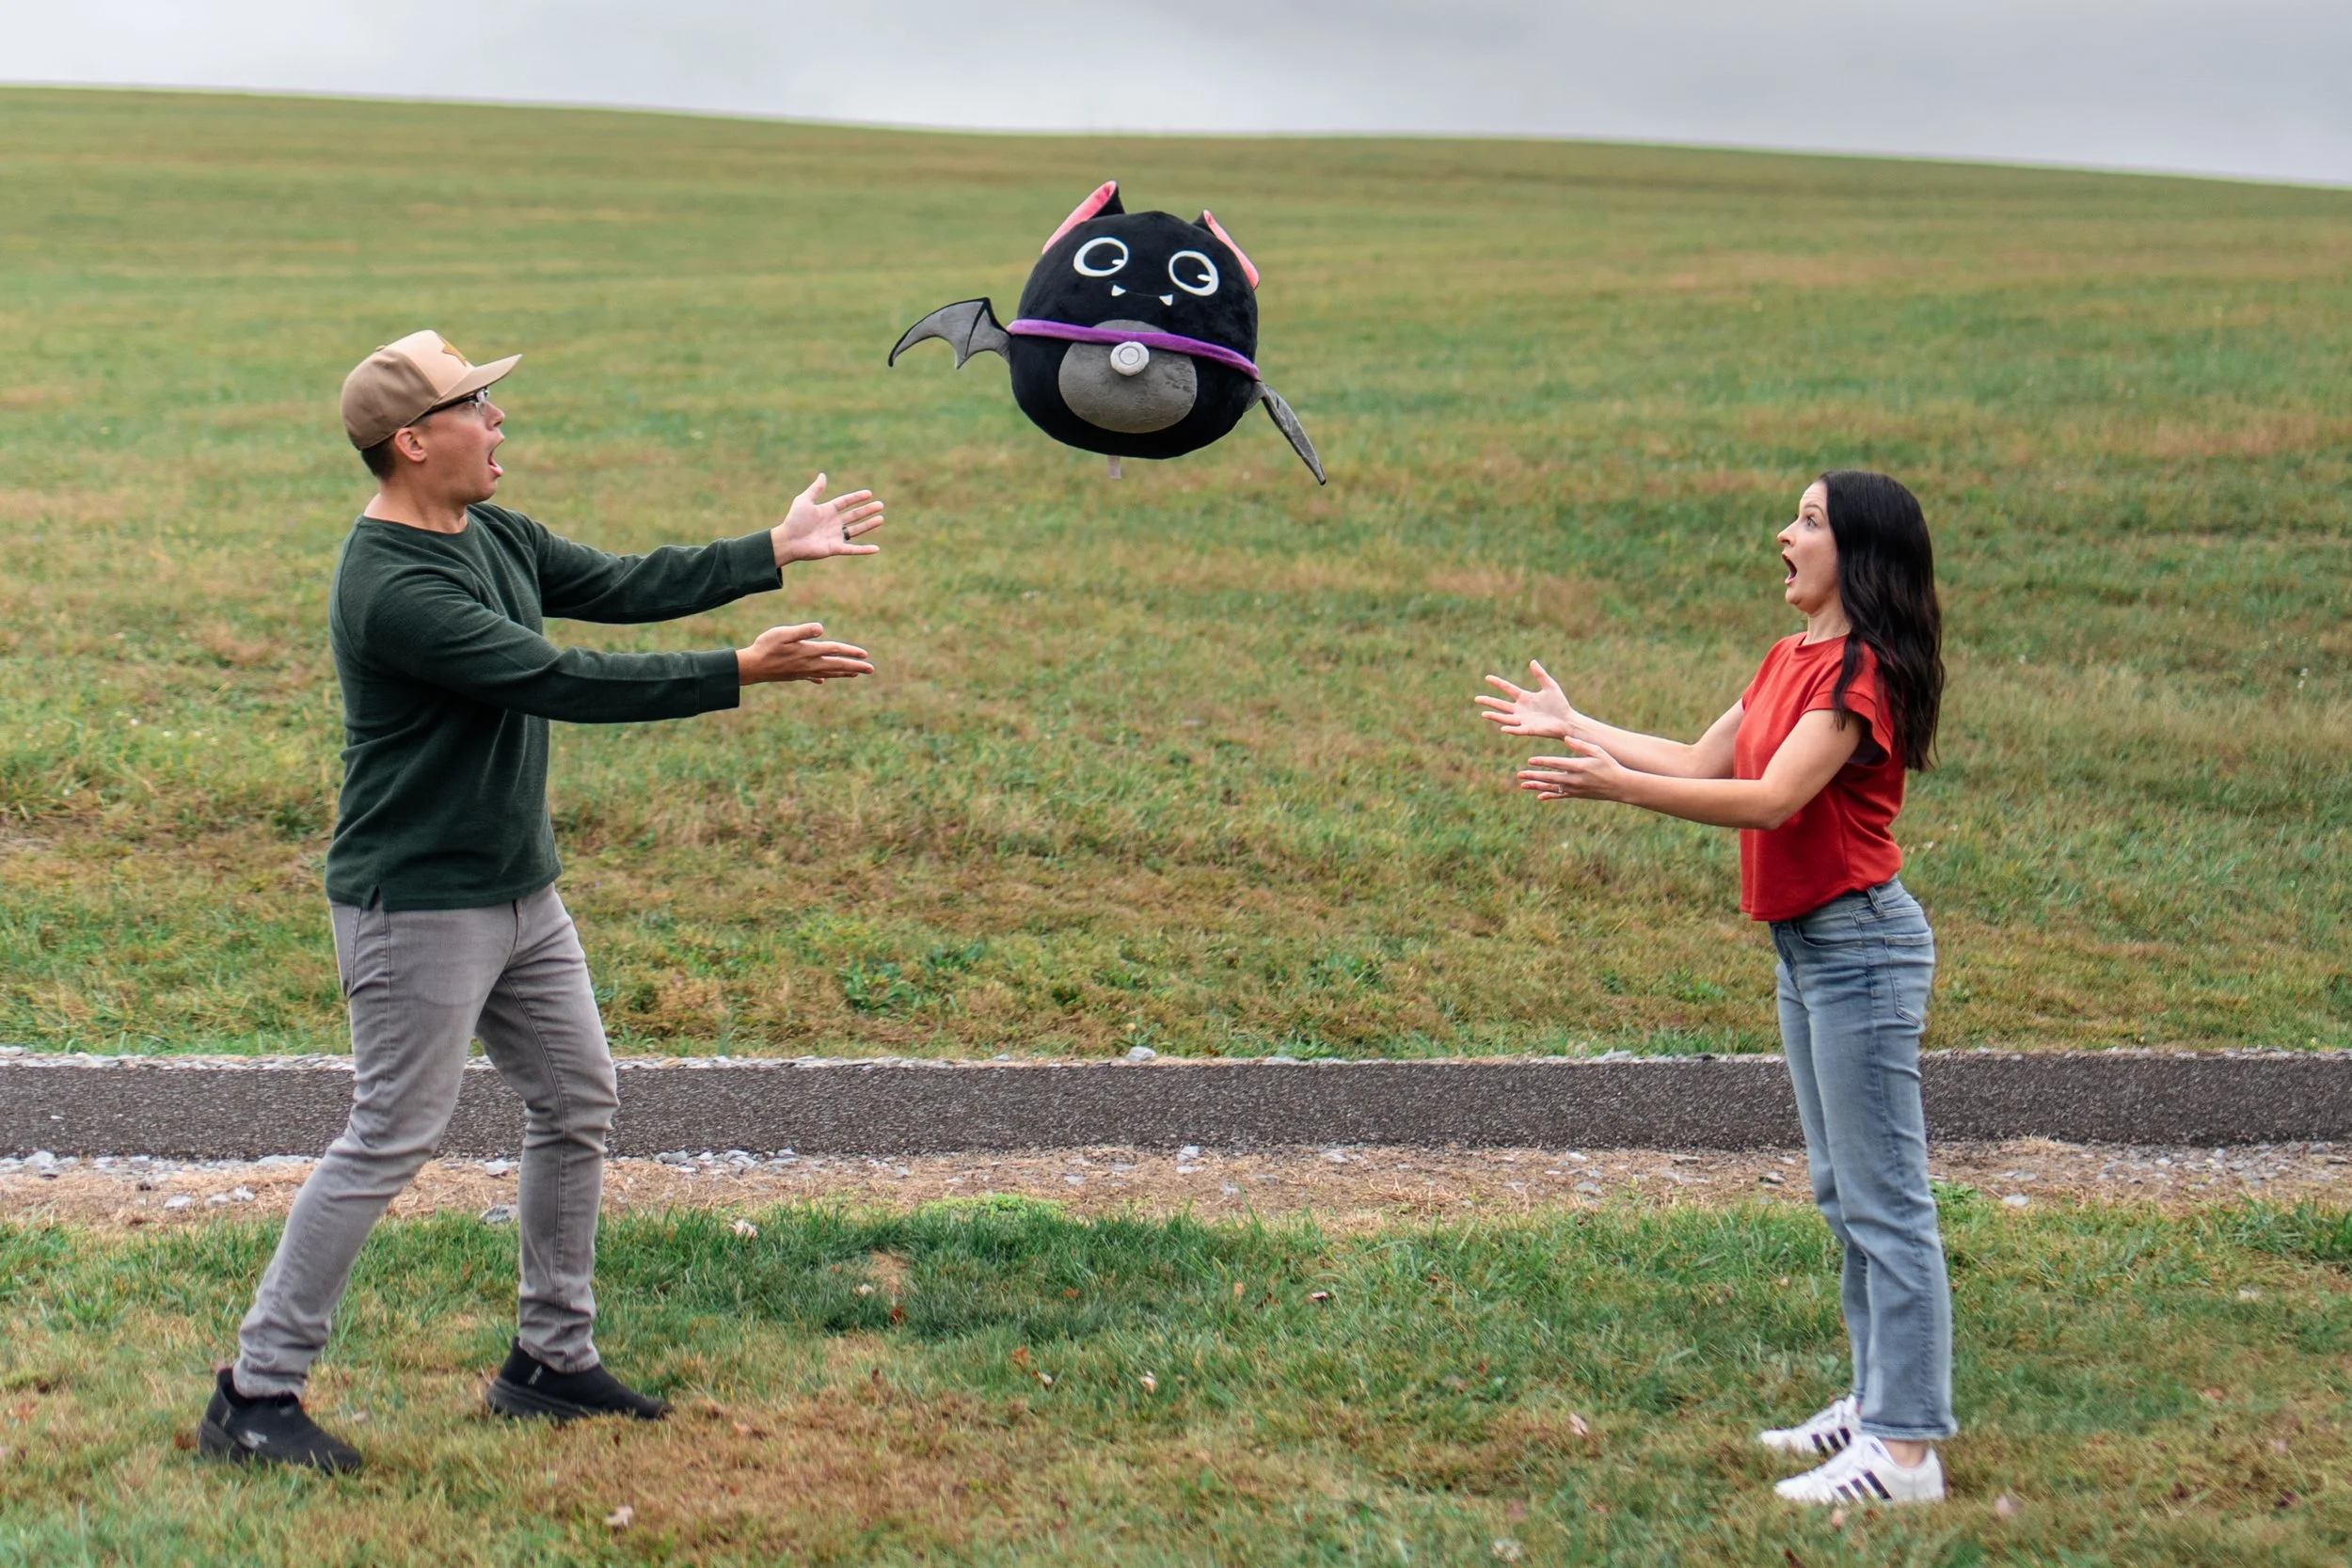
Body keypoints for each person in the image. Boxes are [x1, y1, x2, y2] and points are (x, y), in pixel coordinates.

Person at [199, 330, 886, 1473]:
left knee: (576, 1097)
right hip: (415, 901)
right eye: (478, 407)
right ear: (415, 440)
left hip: (520, 891)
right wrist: (736, 672)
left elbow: (615, 585)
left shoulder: (492, 532)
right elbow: (554, 676)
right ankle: (255, 1391)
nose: (499, 421)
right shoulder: (392, 587)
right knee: (389, 1135)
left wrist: (770, 548)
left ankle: (549, 1363)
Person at [1476, 470, 1952, 1506]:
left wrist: (1615, 787)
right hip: (1806, 945)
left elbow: (1772, 798)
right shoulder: (1789, 656)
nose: (1784, 532)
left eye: (1811, 520)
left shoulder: (1859, 675)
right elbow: (1702, 755)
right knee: (1843, 1191)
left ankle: (1907, 1451)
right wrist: (1577, 725)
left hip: (1860, 946)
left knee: (1885, 1200)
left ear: (1856, 553)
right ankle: (1877, 1404)